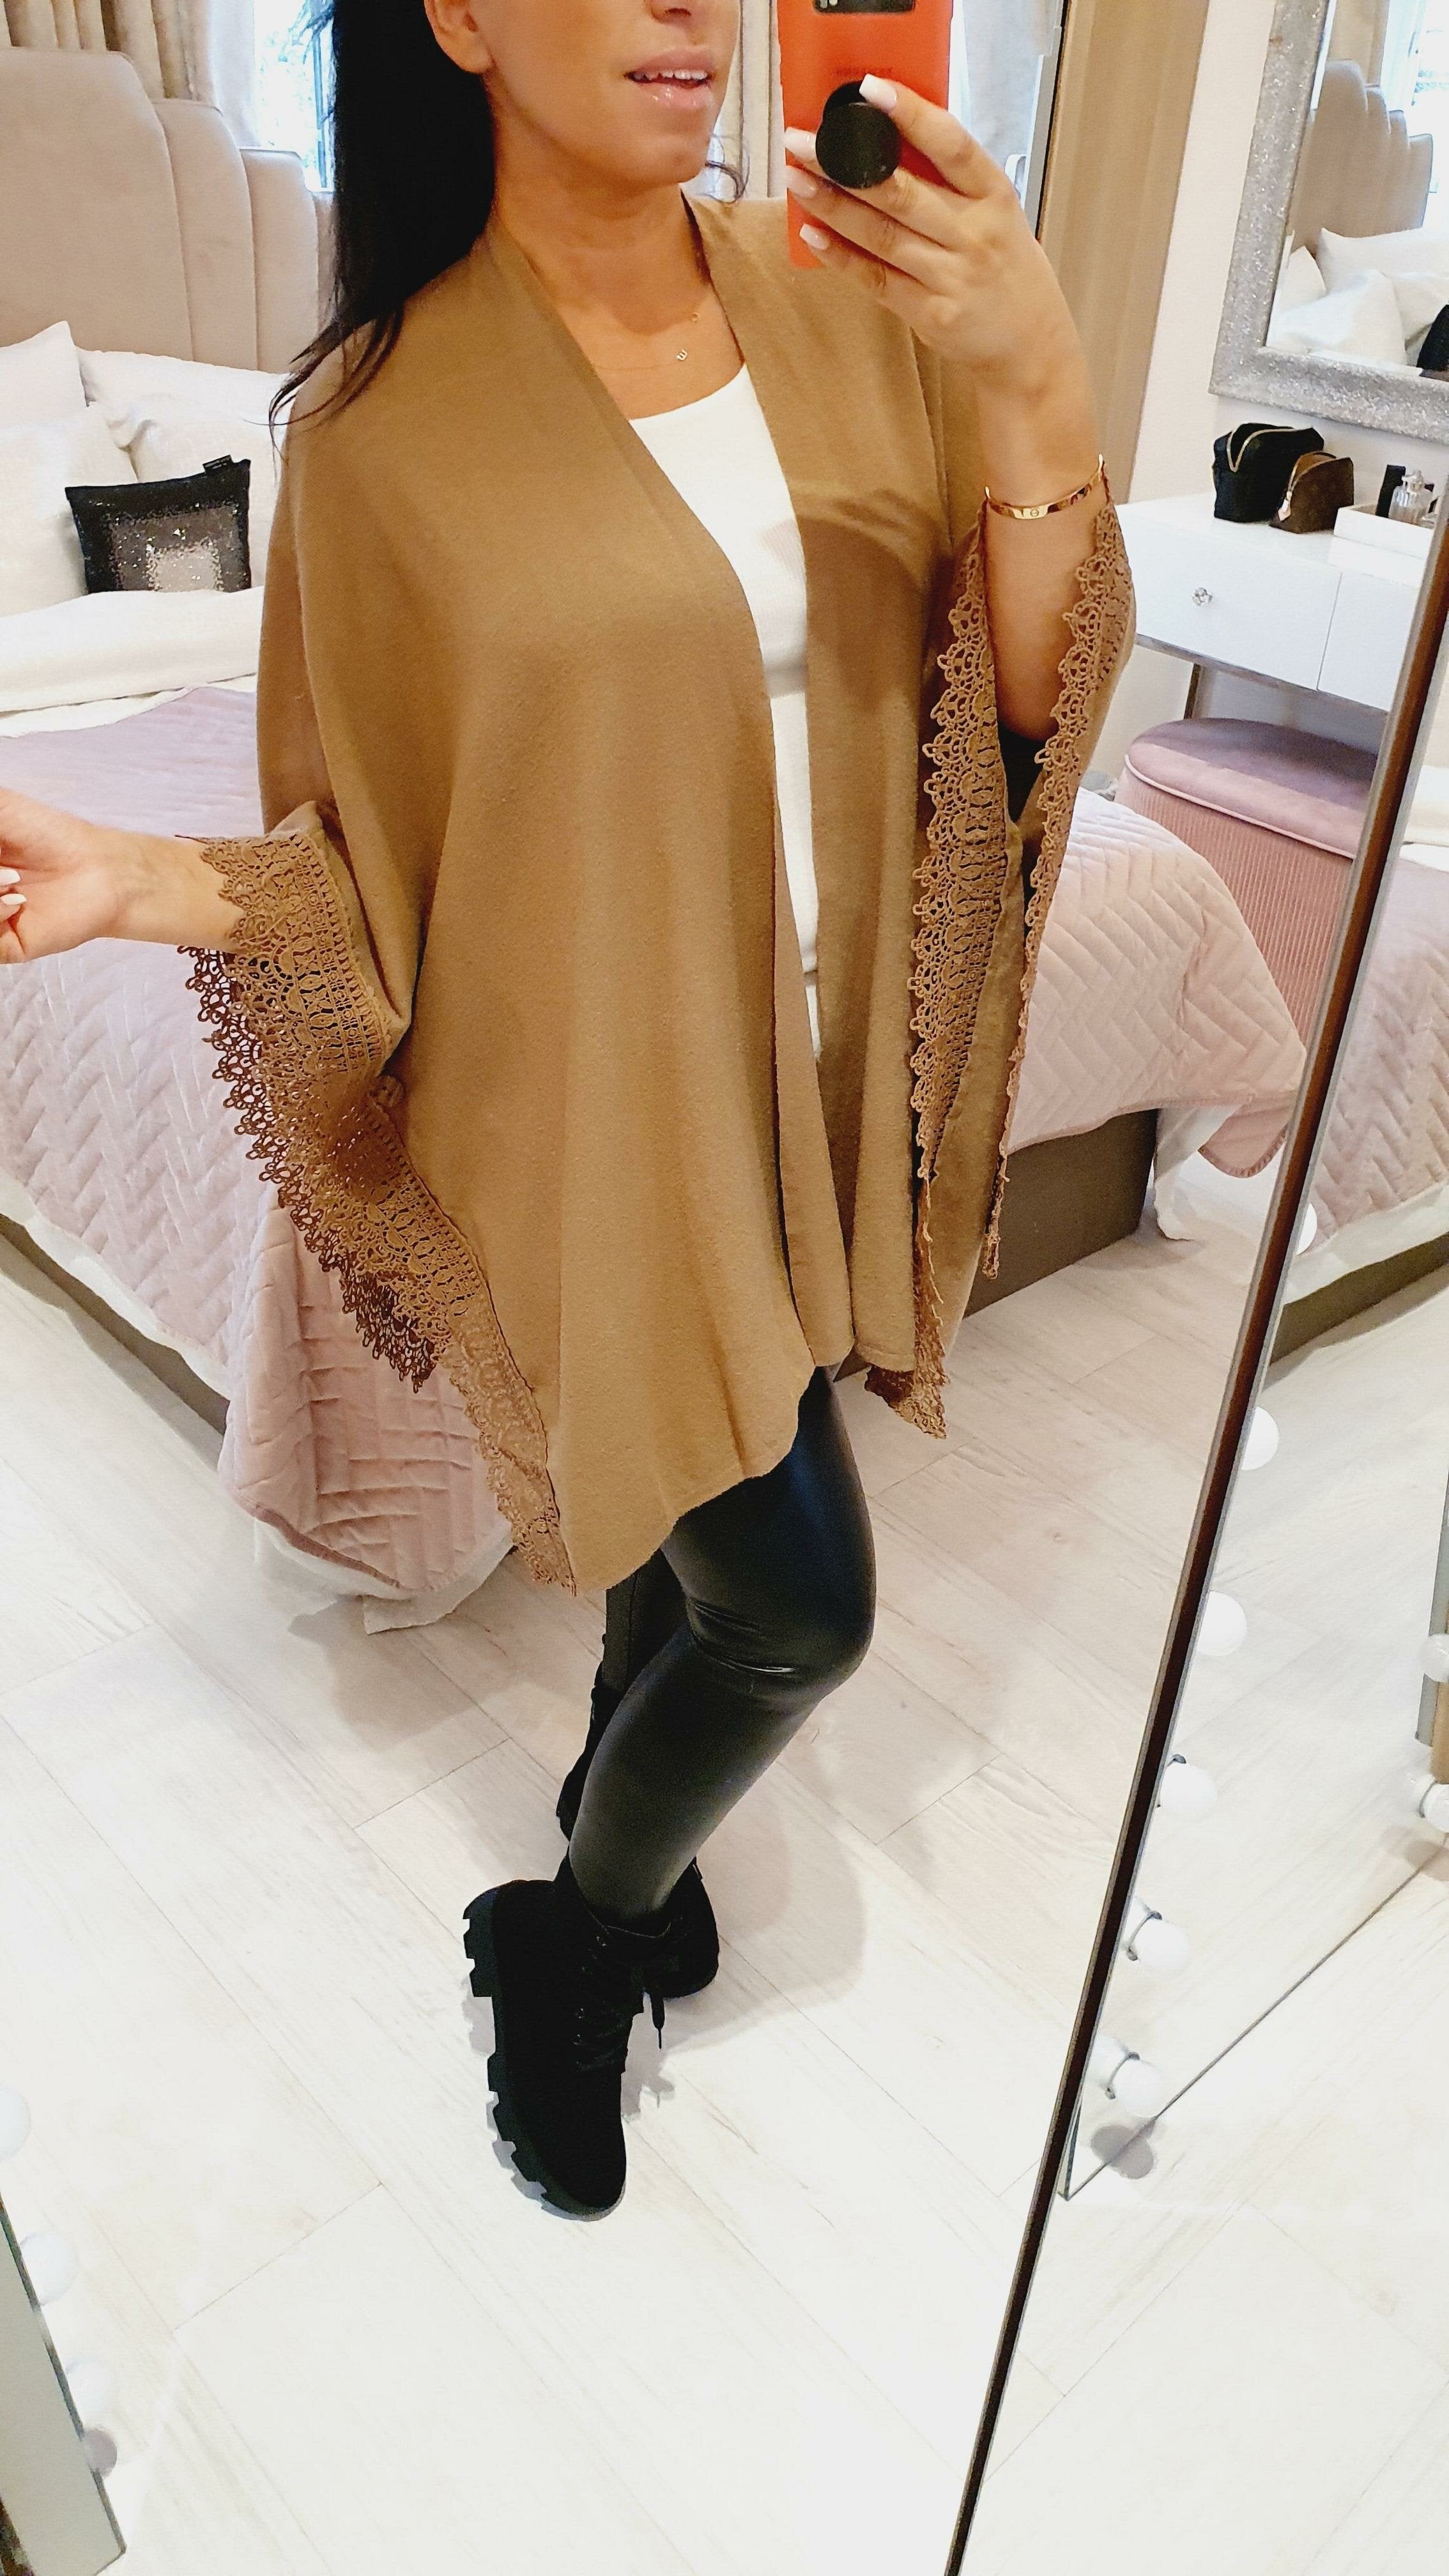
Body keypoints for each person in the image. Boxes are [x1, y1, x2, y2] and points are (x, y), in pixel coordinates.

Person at [0, 0, 1130, 2216]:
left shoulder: (847, 303)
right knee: (798, 1610)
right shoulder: (377, 428)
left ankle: (616, 1799)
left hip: (837, 1080)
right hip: (607, 1109)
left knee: (692, 1512)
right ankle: (577, 1928)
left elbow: (1012, 717)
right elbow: (377, 850)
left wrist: (1026, 374)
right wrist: (145, 880)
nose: (686, 5)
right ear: (458, 18)